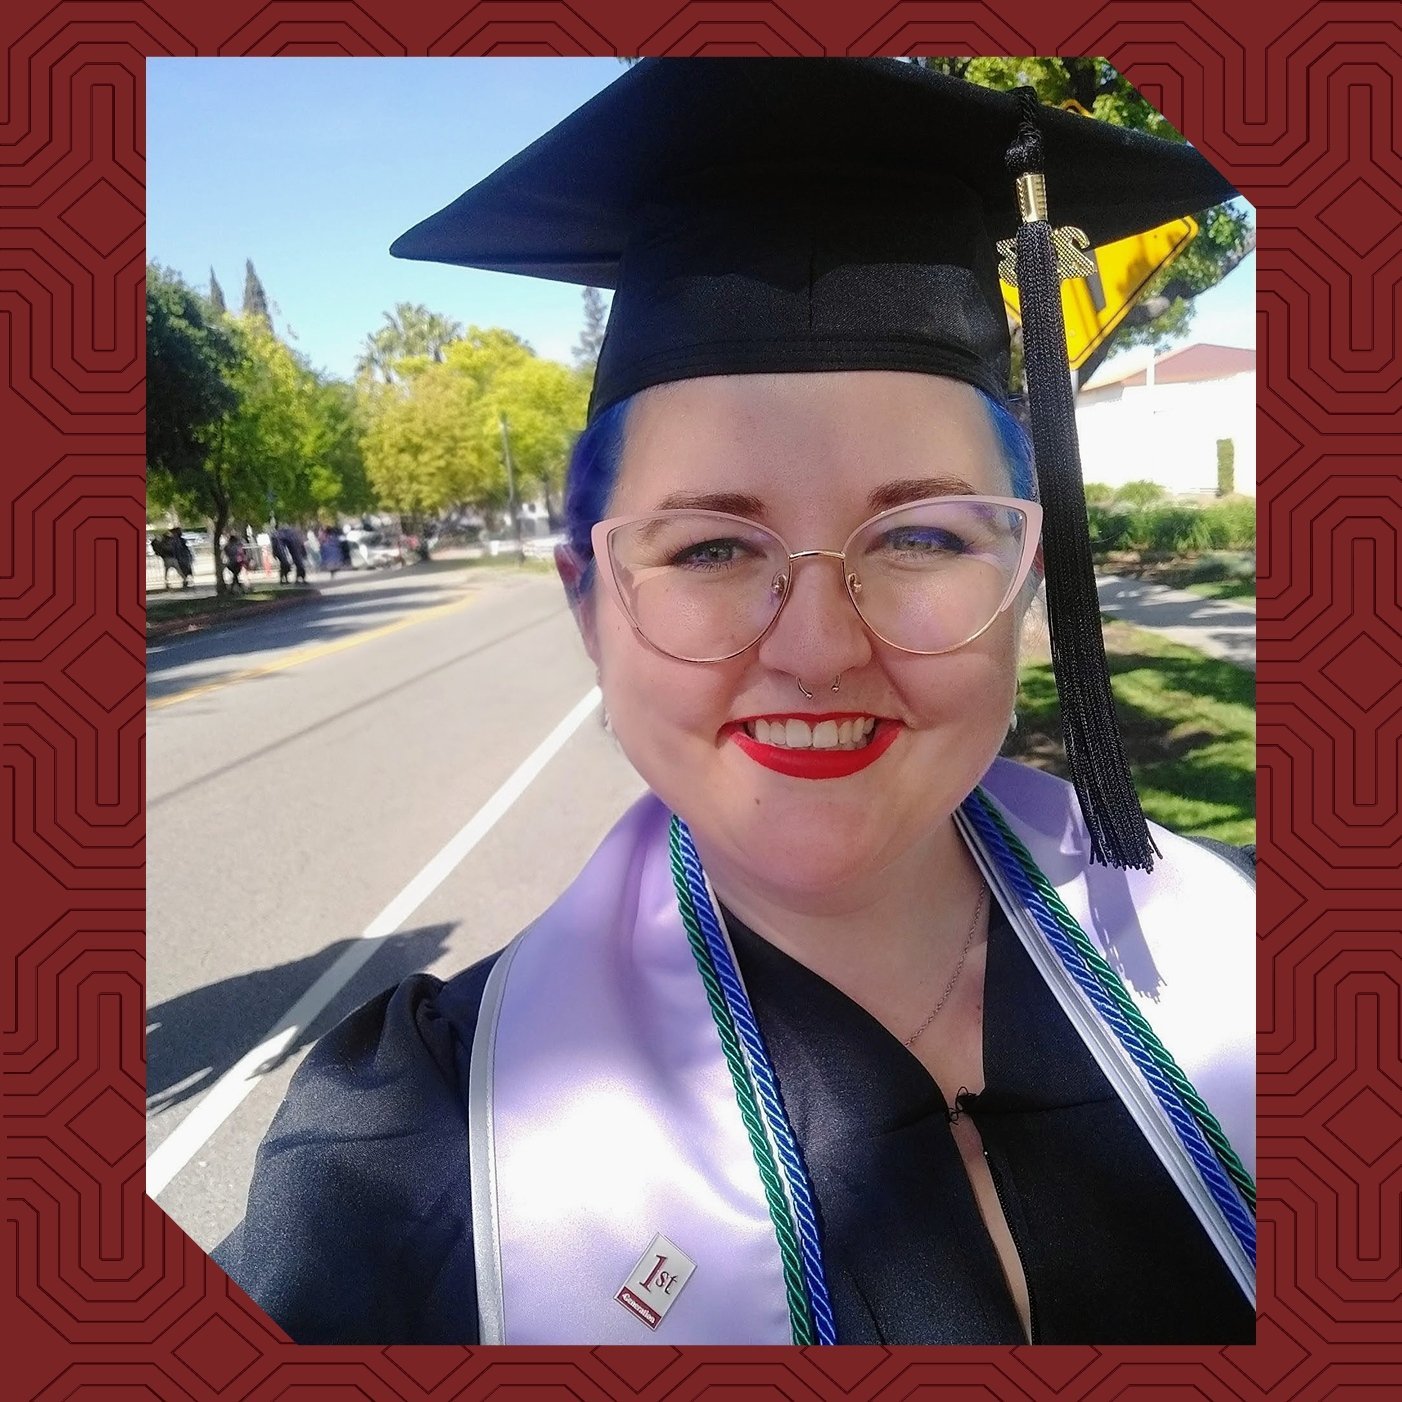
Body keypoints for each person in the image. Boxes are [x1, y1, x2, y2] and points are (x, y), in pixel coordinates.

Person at [216, 59, 1254, 1346]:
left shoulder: (1252, 956)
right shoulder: (415, 1160)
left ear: (1027, 575)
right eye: (708, 547)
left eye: (922, 536)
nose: (817, 649)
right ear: (588, 604)